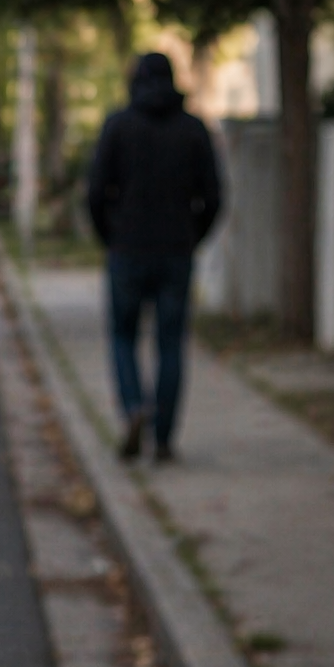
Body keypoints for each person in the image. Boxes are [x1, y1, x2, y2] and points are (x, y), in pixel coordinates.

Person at [86, 53, 221, 462]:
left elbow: (94, 192)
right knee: (170, 344)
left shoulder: (118, 125)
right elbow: (214, 198)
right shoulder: (194, 129)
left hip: (127, 250)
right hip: (176, 253)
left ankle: (133, 407)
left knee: (123, 336)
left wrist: (109, 237)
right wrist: (192, 238)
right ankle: (163, 439)